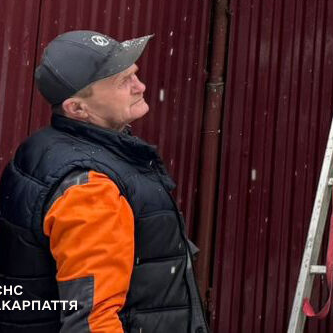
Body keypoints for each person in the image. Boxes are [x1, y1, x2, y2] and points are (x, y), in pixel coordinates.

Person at [0, 31, 209, 332]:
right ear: (77, 108)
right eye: (123, 81)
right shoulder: (91, 187)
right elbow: (93, 321)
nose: (140, 86)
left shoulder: (46, 148)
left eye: (134, 74)